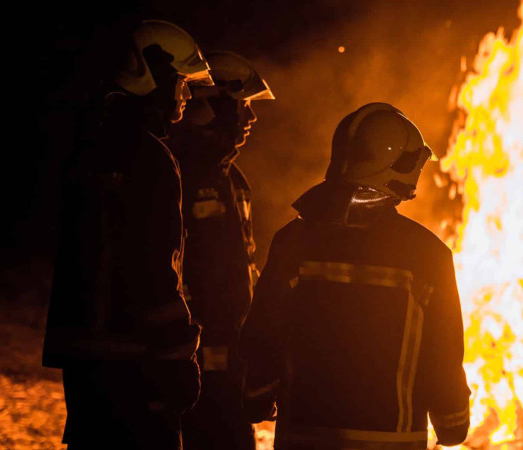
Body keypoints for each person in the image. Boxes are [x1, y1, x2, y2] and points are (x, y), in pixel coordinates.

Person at [239, 103, 471, 449]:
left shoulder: (293, 242)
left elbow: (262, 336)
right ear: (399, 167)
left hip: (303, 439)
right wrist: (453, 423)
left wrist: (256, 397)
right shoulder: (427, 254)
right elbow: (443, 358)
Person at [42, 19, 213, 450]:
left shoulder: (89, 146)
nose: (187, 95)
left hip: (84, 364)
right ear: (151, 74)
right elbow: (154, 267)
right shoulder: (152, 159)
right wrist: (178, 356)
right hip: (138, 364)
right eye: (180, 81)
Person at [168, 50, 274, 450]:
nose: (251, 118)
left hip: (230, 360)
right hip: (192, 363)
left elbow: (239, 272)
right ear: (208, 106)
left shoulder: (232, 179)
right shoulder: (175, 174)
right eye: (242, 106)